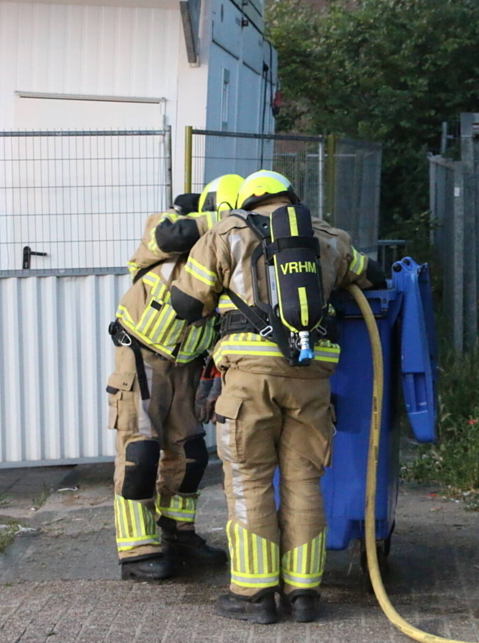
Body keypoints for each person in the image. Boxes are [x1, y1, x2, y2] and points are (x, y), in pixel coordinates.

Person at [169, 170, 385, 623]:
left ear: (248, 201)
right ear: (292, 198)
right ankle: (304, 595)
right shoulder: (328, 237)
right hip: (312, 378)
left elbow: (186, 305)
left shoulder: (227, 231)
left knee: (249, 480)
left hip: (249, 378)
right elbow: (374, 277)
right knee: (304, 482)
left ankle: (254, 596)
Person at [107, 174, 243, 580]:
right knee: (140, 454)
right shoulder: (166, 226)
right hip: (141, 356)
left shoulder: (226, 250)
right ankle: (136, 548)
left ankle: (177, 533)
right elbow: (170, 236)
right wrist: (219, 221)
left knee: (191, 455)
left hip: (186, 362)